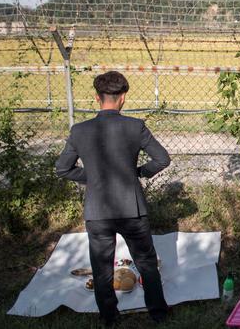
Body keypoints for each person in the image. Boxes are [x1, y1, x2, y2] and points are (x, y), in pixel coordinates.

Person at [55, 71, 170, 327]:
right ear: (123, 98)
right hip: (132, 208)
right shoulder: (135, 126)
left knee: (101, 267)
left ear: (97, 98)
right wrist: (139, 172)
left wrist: (94, 177)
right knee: (146, 263)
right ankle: (159, 314)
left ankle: (109, 317)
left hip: (98, 211)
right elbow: (162, 159)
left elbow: (63, 168)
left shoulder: (79, 130)